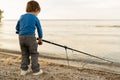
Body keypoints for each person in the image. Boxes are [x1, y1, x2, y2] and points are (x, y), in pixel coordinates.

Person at [16, 0, 43, 76]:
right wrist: (40, 38)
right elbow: (39, 29)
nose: (37, 14)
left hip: (21, 38)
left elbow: (17, 27)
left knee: (24, 54)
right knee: (34, 53)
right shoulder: (35, 18)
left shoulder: (21, 16)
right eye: (38, 12)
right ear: (36, 10)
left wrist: (19, 31)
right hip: (31, 38)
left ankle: (23, 70)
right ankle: (36, 70)